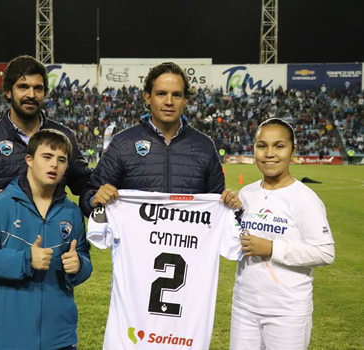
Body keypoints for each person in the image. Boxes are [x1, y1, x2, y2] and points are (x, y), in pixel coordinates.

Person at [0, 129, 92, 350]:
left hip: (59, 340)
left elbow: (84, 258)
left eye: (61, 160)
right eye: (47, 157)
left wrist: (79, 265)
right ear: (29, 160)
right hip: (4, 341)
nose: (54, 165)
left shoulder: (71, 212)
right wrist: (25, 260)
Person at [80, 62, 241, 216]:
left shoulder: (204, 146)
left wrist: (229, 202)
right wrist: (94, 200)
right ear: (148, 97)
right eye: (161, 94)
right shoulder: (123, 143)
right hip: (137, 244)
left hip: (187, 243)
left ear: (185, 100)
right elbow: (89, 195)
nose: (169, 102)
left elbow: (218, 206)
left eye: (176, 95)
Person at [230, 118, 335, 350]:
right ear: (254, 149)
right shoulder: (247, 193)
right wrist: (227, 208)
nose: (269, 153)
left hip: (287, 312)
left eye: (279, 146)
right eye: (261, 146)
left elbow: (325, 252)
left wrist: (271, 248)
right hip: (244, 307)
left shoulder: (304, 199)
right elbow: (236, 238)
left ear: (293, 150)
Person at [0, 55, 91, 220]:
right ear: (8, 91)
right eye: (23, 87)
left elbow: (84, 184)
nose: (31, 94)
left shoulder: (64, 136)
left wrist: (93, 201)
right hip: (4, 241)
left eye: (38, 88)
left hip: (52, 238)